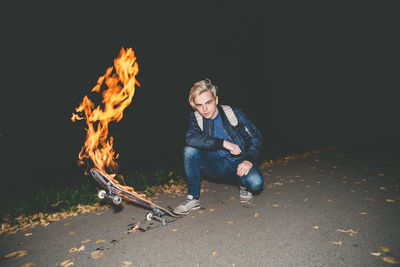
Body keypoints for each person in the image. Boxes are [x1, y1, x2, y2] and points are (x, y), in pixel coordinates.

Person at [173, 79, 264, 215]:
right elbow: (191, 138)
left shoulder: (234, 113)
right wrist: (222, 143)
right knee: (189, 151)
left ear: (216, 100)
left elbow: (255, 138)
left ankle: (243, 184)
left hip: (238, 163)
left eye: (208, 103)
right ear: (195, 106)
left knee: (256, 183)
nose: (204, 109)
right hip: (215, 165)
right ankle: (193, 198)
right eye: (199, 105)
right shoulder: (196, 118)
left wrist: (248, 159)